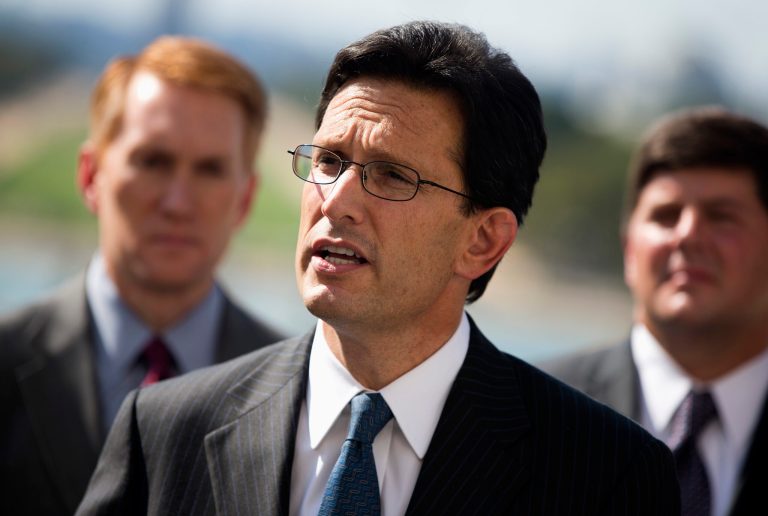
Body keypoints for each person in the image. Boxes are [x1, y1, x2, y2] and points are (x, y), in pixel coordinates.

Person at [76, 21, 680, 515]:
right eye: (331, 160)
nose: (336, 199)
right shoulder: (162, 432)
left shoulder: (607, 475)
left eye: (391, 175)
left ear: (483, 240)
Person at [0, 36, 283, 516]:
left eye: (210, 170)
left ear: (246, 199)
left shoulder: (294, 396)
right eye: (153, 161)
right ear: (91, 176)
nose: (177, 203)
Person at [540, 106, 768, 516]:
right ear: (629, 249)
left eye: (721, 217)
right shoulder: (525, 415)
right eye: (665, 216)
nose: (688, 235)